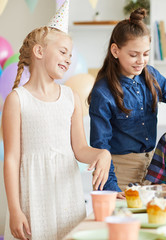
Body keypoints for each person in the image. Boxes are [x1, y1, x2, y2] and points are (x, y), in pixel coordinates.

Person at [2, 17, 111, 240]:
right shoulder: (17, 100)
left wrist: (103, 153)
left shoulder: (71, 97)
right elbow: (11, 159)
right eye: (63, 52)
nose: (68, 60)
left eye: (70, 55)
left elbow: (79, 148)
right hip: (32, 197)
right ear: (39, 51)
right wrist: (15, 210)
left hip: (66, 197)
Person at [87, 8, 166, 195]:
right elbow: (100, 144)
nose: (141, 61)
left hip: (154, 170)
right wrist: (111, 187)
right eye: (134, 55)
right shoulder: (103, 92)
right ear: (115, 51)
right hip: (120, 174)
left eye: (145, 54)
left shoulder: (151, 74)